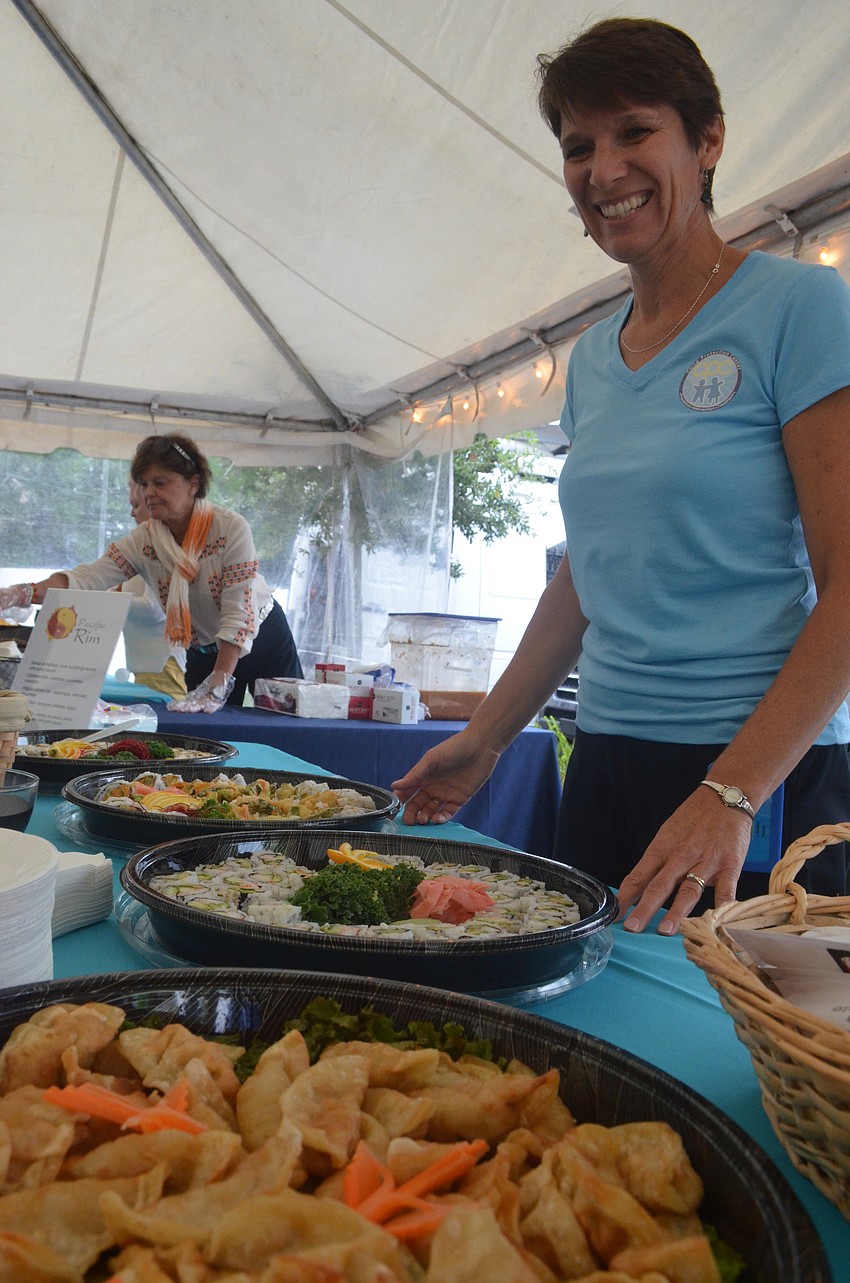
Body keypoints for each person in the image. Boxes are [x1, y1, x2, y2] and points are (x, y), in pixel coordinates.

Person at [392, 17, 850, 935]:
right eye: (577, 146)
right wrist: (487, 737)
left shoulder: (800, 308)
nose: (603, 171)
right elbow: (587, 574)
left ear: (707, 139)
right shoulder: (596, 359)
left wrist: (732, 790)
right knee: (589, 1038)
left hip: (761, 772)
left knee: (739, 1056)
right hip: (604, 757)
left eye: (635, 131)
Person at [0, 434, 303, 712]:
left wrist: (219, 681)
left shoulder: (230, 528)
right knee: (208, 736)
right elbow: (87, 578)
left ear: (193, 484)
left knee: (286, 726)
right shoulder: (144, 539)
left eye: (160, 482)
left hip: (263, 641)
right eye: (143, 484)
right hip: (202, 649)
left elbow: (238, 611)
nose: (148, 493)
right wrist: (21, 593)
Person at [112, 481, 187, 698]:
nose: (131, 512)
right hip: (151, 665)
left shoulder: (160, 551)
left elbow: (153, 609)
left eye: (136, 505)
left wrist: (112, 597)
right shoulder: (144, 548)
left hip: (160, 665)